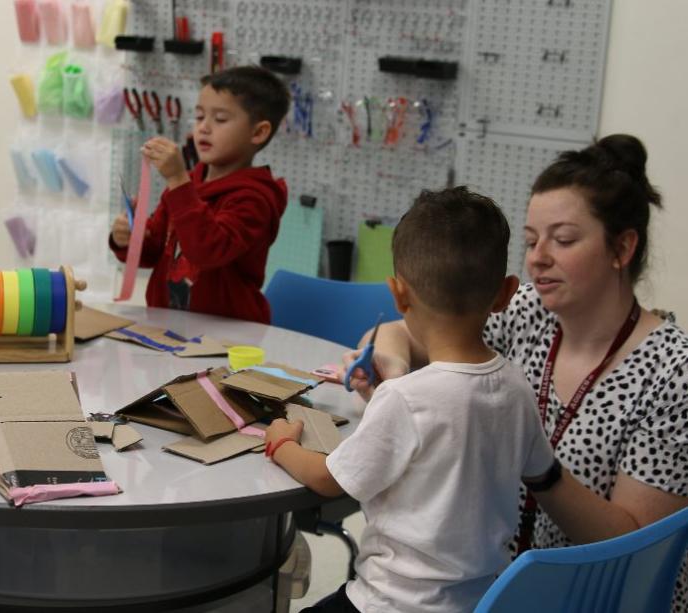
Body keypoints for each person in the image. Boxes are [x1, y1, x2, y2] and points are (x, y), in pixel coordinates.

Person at [347, 134, 688, 609]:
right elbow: (395, 332)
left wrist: (542, 471)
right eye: (530, 241)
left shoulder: (672, 371)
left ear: (622, 247)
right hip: (484, 589)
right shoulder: (528, 309)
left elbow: (635, 551)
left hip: (588, 600)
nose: (538, 257)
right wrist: (397, 370)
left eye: (563, 240)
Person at [267, 186, 555, 612]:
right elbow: (533, 468)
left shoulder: (405, 398)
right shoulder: (517, 386)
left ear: (397, 294)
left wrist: (282, 444)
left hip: (389, 603)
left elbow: (330, 479)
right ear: (506, 292)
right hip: (477, 602)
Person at [109, 65, 289, 324]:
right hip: (170, 329)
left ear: (258, 132)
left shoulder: (255, 199)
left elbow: (207, 250)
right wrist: (128, 238)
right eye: (200, 116)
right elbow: (151, 253)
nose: (203, 128)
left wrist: (177, 181)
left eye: (220, 119)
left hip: (230, 338)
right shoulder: (188, 183)